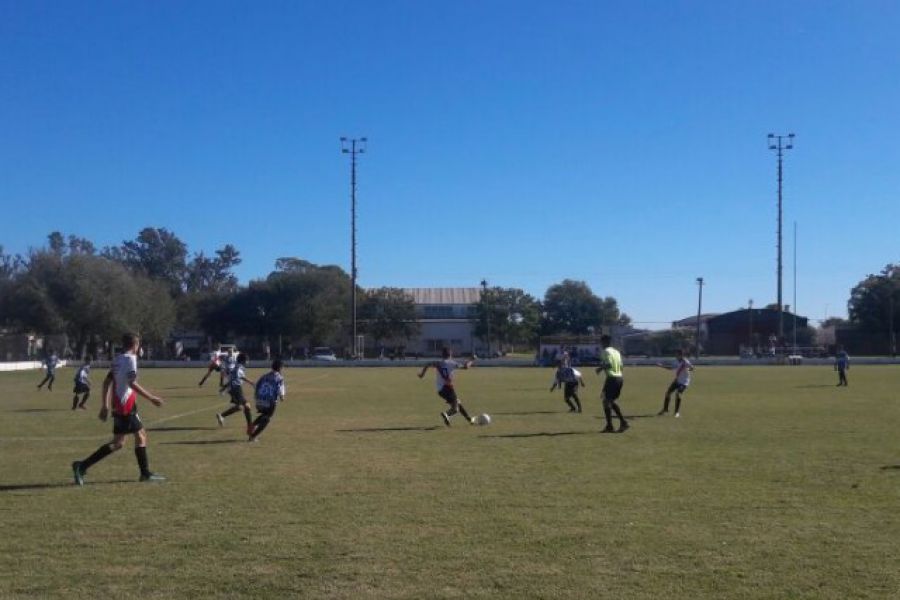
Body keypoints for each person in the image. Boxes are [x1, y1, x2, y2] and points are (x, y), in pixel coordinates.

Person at [71, 333, 165, 485]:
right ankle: (145, 473)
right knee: (137, 437)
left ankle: (82, 466)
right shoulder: (131, 360)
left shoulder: (118, 360)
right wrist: (151, 398)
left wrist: (105, 405)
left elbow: (106, 383)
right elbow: (132, 383)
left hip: (118, 404)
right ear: (135, 345)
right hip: (126, 404)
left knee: (122, 441)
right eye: (138, 344)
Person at [418, 347, 475, 426]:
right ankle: (446, 414)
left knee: (458, 402)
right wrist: (471, 360)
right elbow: (466, 367)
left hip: (440, 390)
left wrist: (422, 374)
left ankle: (470, 420)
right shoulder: (452, 363)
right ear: (451, 354)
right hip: (448, 388)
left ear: (442, 355)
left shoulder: (438, 363)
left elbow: (427, 364)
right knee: (455, 409)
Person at [215, 352, 256, 434]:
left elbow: (233, 377)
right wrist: (251, 383)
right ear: (243, 361)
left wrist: (225, 387)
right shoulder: (239, 368)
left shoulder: (236, 366)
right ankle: (250, 427)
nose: (248, 362)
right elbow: (240, 377)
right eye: (247, 360)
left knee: (240, 407)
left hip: (233, 388)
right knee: (247, 406)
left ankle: (222, 416)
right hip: (236, 388)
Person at [595, 334, 628, 433]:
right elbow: (621, 366)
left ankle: (614, 425)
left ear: (604, 342)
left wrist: (600, 368)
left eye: (601, 342)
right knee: (610, 401)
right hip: (619, 378)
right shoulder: (617, 352)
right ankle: (620, 423)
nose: (600, 344)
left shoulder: (605, 351)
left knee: (606, 402)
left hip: (612, 378)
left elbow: (608, 364)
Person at [248, 359, 286, 442]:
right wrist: (282, 396)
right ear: (280, 368)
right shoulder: (279, 378)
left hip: (259, 400)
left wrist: (257, 397)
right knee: (267, 419)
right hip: (269, 402)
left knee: (264, 415)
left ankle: (252, 425)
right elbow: (280, 390)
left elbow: (257, 385)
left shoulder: (264, 376)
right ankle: (253, 436)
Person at [656, 349, 694, 417]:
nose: (676, 356)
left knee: (678, 394)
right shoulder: (676, 361)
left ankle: (676, 412)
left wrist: (688, 369)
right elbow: (671, 368)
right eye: (676, 354)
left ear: (681, 355)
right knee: (668, 393)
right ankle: (665, 410)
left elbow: (692, 368)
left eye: (677, 354)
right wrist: (661, 366)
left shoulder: (685, 362)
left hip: (684, 382)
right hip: (677, 380)